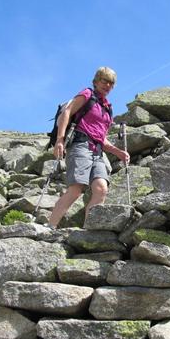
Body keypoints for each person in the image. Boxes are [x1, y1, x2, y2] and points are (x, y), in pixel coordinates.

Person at [48, 66, 130, 228]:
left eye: (111, 83)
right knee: (77, 188)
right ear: (96, 81)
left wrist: (118, 152)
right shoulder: (87, 94)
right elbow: (67, 112)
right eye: (104, 81)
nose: (107, 85)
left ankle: (88, 230)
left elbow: (101, 138)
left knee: (101, 188)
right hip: (80, 145)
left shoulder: (107, 109)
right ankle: (50, 226)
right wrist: (60, 140)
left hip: (97, 151)